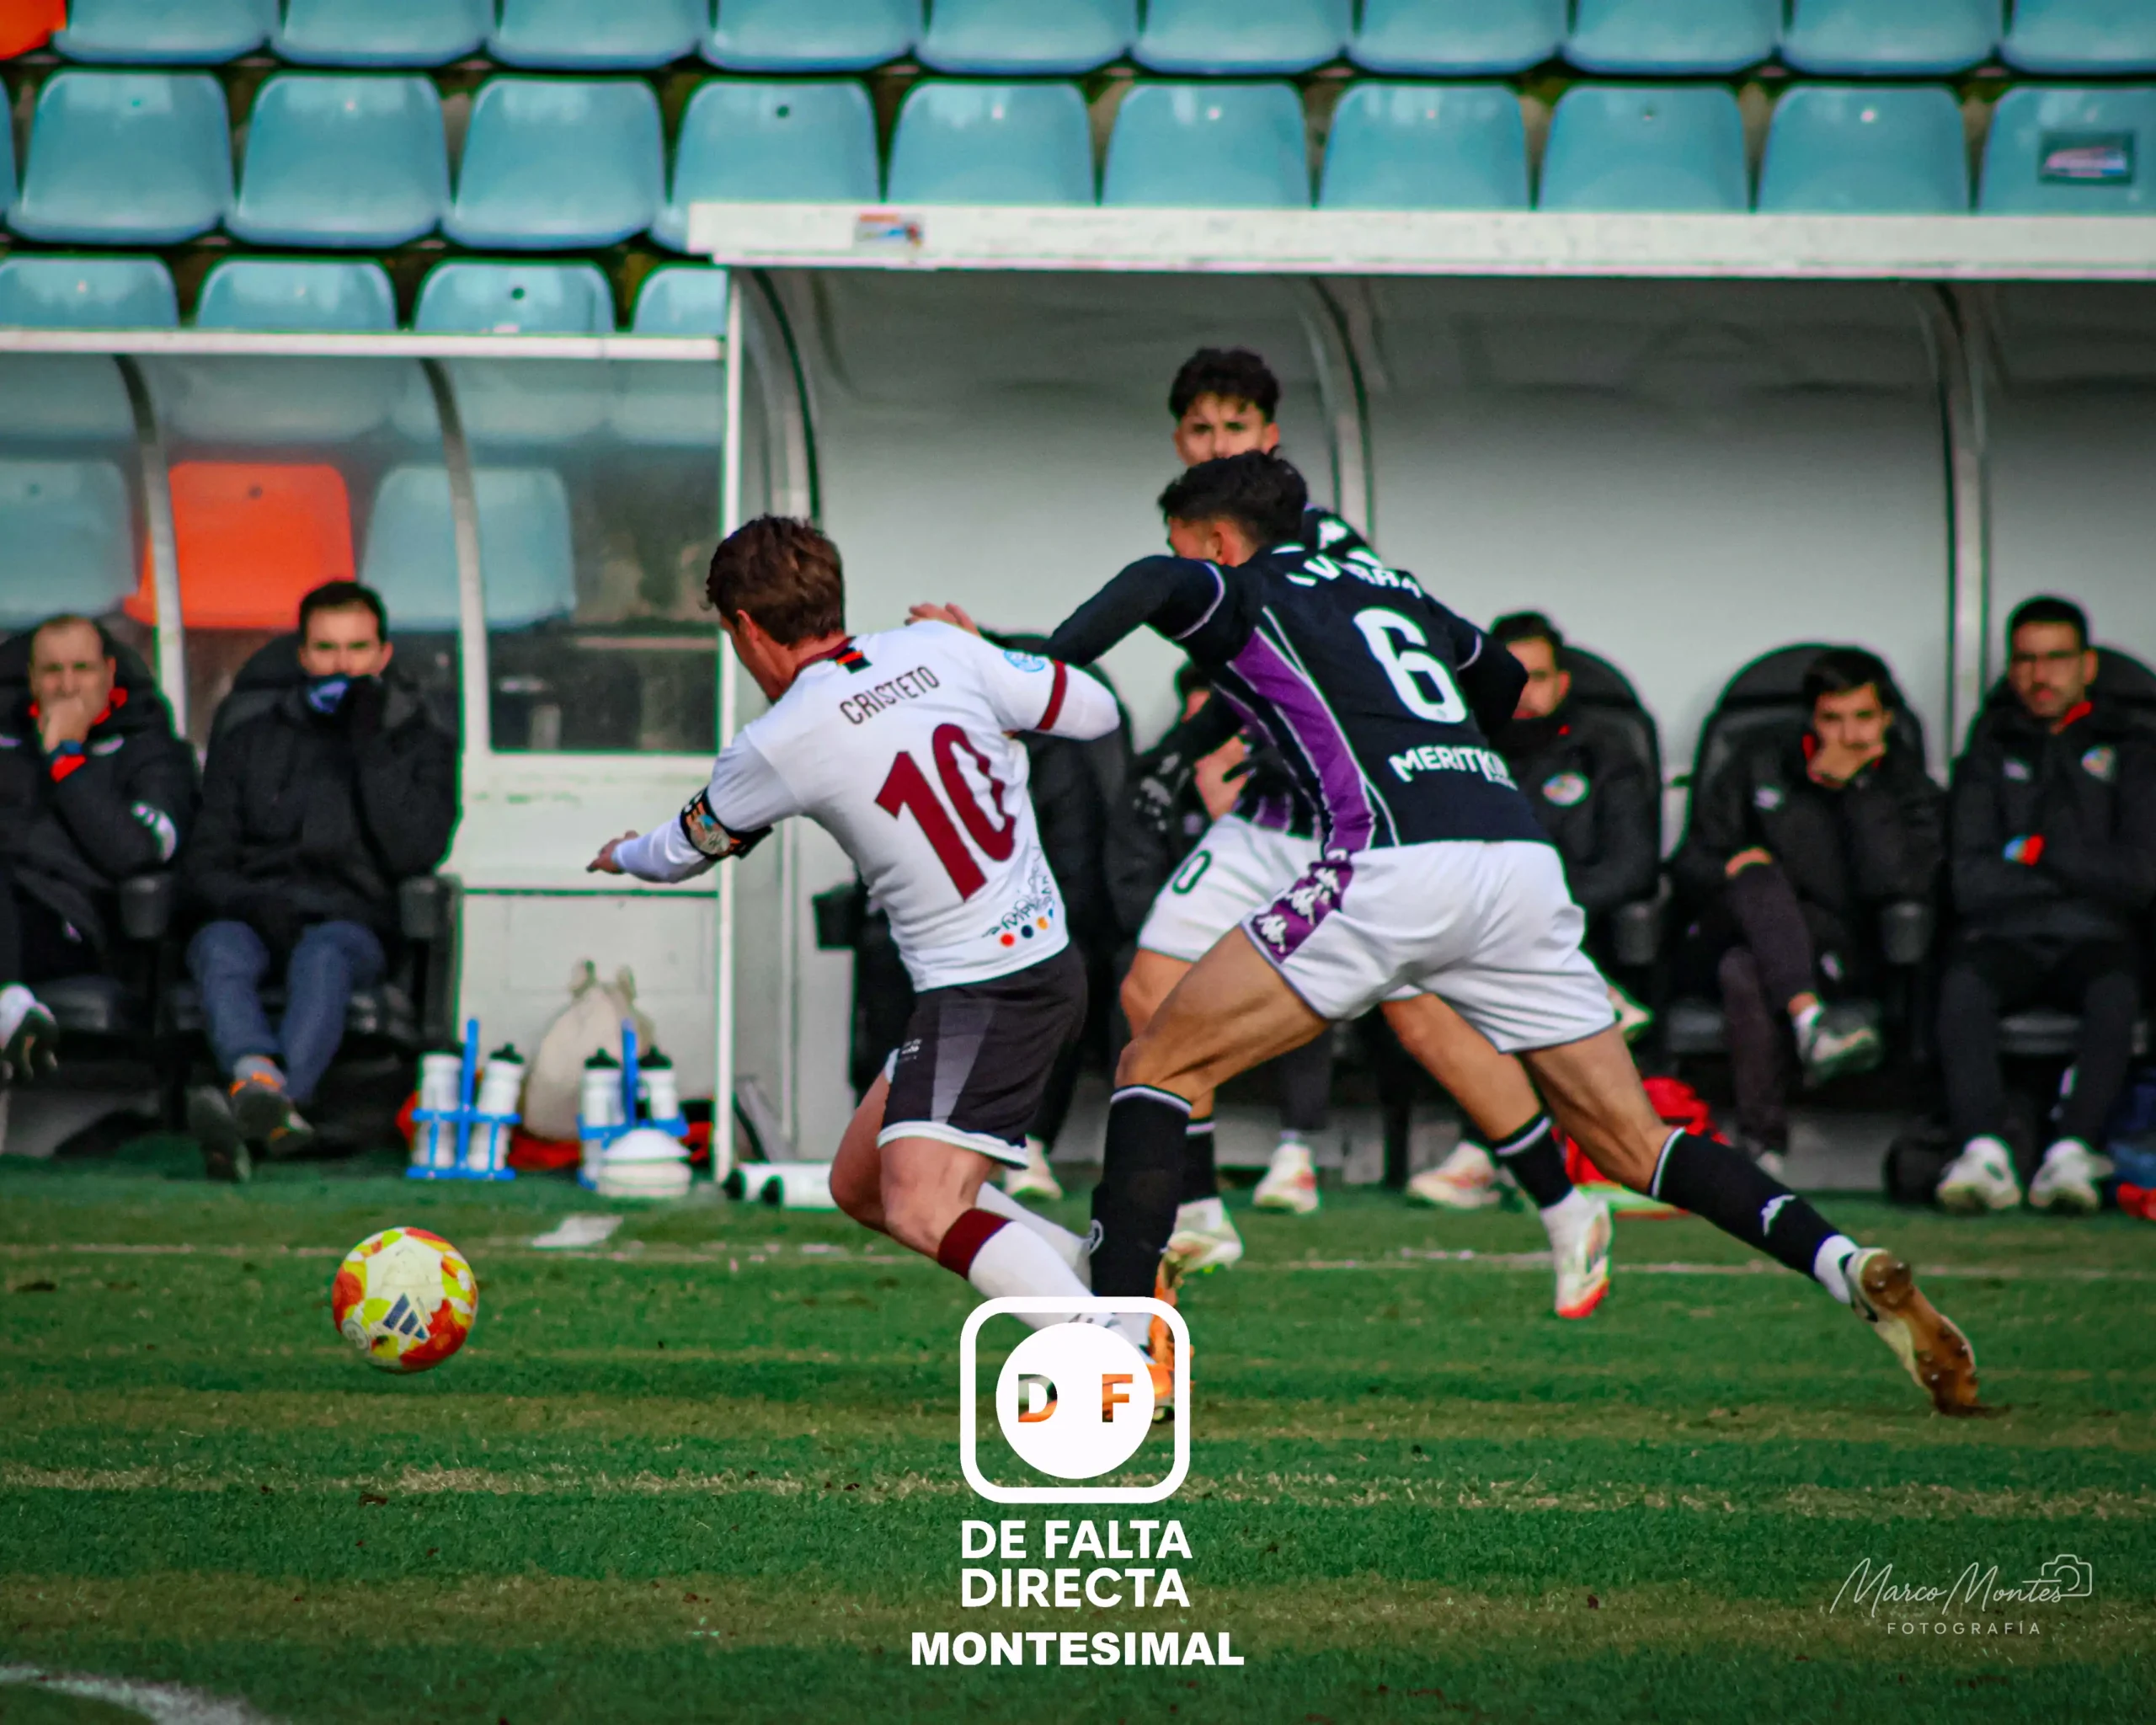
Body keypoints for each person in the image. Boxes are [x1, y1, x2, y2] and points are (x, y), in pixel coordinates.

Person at [1001, 452, 1980, 1416]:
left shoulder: (1238, 581)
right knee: (1634, 1140)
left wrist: (1026, 676)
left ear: (1217, 537)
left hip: (1390, 861)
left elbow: (1151, 584)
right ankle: (1842, 1261)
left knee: (1157, 1058)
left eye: (1190, 545)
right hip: (1513, 857)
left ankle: (1126, 1348)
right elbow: (1504, 679)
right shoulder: (1384, 582)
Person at [589, 519, 1157, 1376]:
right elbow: (1097, 708)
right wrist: (988, 655)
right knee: (859, 1181)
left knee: (922, 1203)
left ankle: (1114, 1356)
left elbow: (680, 850)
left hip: (987, 988)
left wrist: (623, 850)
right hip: (1026, 966)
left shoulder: (778, 739)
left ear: (746, 627)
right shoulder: (946, 649)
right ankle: (1106, 1280)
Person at [1130, 351, 1612, 1322]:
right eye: (1200, 430)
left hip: (1365, 825)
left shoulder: (1317, 539)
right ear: (1179, 439)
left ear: (1270, 436)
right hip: (1270, 813)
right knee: (1151, 985)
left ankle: (1565, 1205)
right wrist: (1183, 751)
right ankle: (1199, 1210)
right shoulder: (1204, 532)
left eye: (1235, 428)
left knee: (1423, 1017)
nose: (1217, 443)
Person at [181, 581, 457, 1179]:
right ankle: (261, 1088)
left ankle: (267, 1100)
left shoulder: (418, 740)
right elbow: (204, 859)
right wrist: (255, 902)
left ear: (383, 655)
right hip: (255, 914)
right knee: (218, 945)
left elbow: (414, 853)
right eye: (326, 649)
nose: (342, 665)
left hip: (350, 923)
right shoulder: (250, 738)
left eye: (357, 649)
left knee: (323, 954)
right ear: (304, 656)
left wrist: (369, 748)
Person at [1673, 647, 1945, 1175]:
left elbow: (1896, 884)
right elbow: (1689, 864)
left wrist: (1856, 792)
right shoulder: (1761, 763)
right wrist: (1737, 866)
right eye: (1832, 719)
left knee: (1744, 971)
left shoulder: (1906, 786)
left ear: (1887, 720)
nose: (1847, 735)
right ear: (1812, 719)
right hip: (1734, 921)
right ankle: (1809, 1021)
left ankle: (1763, 1148)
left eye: (1863, 718)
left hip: (1838, 947)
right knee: (1756, 877)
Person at [1934, 596, 2156, 1215]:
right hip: (2000, 935)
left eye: (2057, 658)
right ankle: (1984, 1152)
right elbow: (1970, 882)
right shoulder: (1986, 750)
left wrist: (2035, 850)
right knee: (1962, 985)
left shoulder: (2133, 748)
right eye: (2027, 660)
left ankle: (2073, 1152)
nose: (2041, 675)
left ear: (2087, 665)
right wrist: (2085, 866)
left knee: (2115, 991)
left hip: (2099, 937)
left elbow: (2139, 876)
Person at [0, 616, 196, 1081]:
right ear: (30, 679)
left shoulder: (153, 752)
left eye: (82, 668)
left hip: (77, 925)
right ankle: (11, 1012)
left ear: (110, 674)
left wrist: (66, 758)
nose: (67, 685)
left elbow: (133, 852)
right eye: (51, 671)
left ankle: (9, 1009)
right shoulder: (6, 746)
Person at [1488, 611, 1660, 1043]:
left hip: (1581, 924)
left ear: (1561, 685)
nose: (1523, 692)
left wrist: (1547, 904)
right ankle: (1598, 997)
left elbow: (1632, 865)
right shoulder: (1459, 753)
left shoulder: (1607, 755)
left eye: (1537, 678)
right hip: (1481, 922)